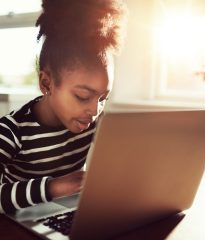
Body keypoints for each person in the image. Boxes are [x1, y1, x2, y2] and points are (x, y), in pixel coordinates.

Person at [0, 0, 127, 213]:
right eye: (82, 96)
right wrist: (53, 187)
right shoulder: (10, 131)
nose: (95, 111)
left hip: (65, 214)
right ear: (46, 84)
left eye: (103, 97)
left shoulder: (92, 122)